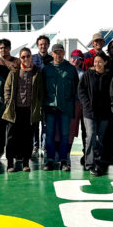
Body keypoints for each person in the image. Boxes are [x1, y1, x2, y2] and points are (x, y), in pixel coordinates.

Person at [3, 47, 44, 172]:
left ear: (31, 56)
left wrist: (38, 104)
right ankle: (10, 163)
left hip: (29, 111)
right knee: (11, 137)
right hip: (15, 110)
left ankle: (26, 162)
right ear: (20, 58)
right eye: (23, 57)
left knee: (27, 137)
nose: (26, 59)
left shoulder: (37, 72)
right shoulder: (14, 71)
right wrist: (8, 102)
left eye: (28, 56)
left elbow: (41, 91)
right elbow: (7, 88)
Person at [42, 43, 79, 171]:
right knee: (49, 135)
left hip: (65, 107)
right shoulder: (47, 69)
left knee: (65, 135)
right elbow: (42, 88)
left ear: (64, 53)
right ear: (52, 54)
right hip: (50, 106)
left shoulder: (71, 69)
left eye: (61, 52)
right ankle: (50, 160)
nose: (58, 54)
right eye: (56, 52)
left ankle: (63, 160)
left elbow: (75, 87)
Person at [78, 53, 113, 176]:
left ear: (105, 62)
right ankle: (90, 163)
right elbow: (81, 90)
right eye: (95, 61)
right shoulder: (88, 74)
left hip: (104, 112)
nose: (97, 64)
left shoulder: (109, 76)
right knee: (91, 136)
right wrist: (86, 104)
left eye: (100, 61)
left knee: (101, 138)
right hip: (89, 112)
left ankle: (99, 161)